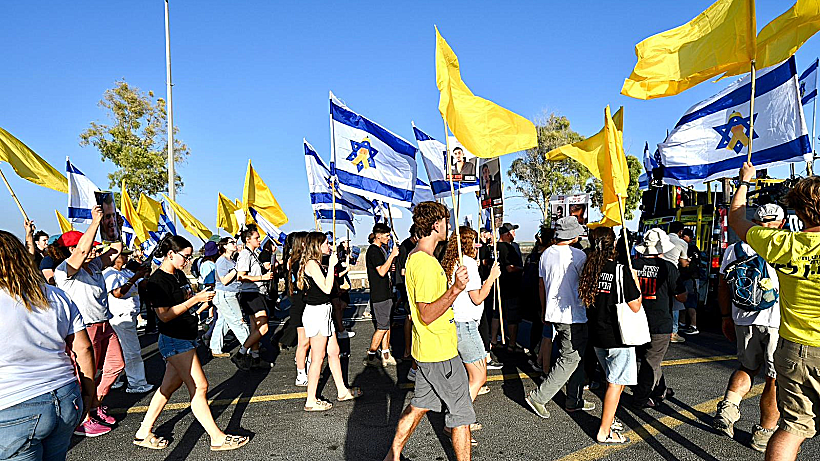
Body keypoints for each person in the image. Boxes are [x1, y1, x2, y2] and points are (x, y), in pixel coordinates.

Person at [728, 163, 820, 461]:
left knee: (793, 427)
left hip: (796, 347)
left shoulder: (782, 243)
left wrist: (744, 182)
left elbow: (736, 219)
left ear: (799, 212)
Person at [132, 235, 247, 451]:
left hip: (184, 337)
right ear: (170, 254)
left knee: (167, 388)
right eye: (185, 257)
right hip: (174, 340)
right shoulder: (158, 281)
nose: (187, 261)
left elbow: (187, 307)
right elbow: (164, 315)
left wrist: (203, 302)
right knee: (200, 386)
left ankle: (143, 432)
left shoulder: (178, 276)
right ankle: (217, 437)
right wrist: (194, 300)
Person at [383, 201, 474, 461]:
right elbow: (426, 313)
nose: (448, 227)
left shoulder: (420, 257)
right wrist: (455, 289)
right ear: (436, 224)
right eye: (445, 221)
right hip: (439, 352)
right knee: (461, 416)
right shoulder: (423, 262)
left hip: (428, 349)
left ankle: (392, 457)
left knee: (419, 406)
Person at [0, 230, 96, 460]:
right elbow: (83, 349)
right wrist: (89, 396)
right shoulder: (57, 295)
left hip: (13, 403)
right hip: (64, 395)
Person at [713, 203, 784, 452]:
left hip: (744, 318)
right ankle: (763, 434)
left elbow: (723, 286)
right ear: (781, 223)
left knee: (746, 367)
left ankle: (729, 410)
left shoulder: (734, 249)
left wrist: (725, 317)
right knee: (774, 377)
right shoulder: (784, 244)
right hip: (777, 320)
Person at [53, 206, 124, 437]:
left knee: (116, 365)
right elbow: (82, 252)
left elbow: (115, 250)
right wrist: (95, 222)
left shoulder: (92, 266)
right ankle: (83, 419)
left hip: (105, 324)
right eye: (87, 247)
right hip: (84, 329)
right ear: (70, 250)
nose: (92, 252)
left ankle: (94, 405)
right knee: (86, 375)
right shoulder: (65, 270)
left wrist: (114, 227)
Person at [579, 227, 642, 445]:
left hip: (597, 333)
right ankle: (604, 431)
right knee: (615, 383)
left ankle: (610, 418)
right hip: (618, 335)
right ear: (613, 244)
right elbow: (635, 305)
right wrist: (635, 282)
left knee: (614, 380)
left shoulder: (589, 268)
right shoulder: (620, 270)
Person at [525, 217, 592, 419]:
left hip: (554, 312)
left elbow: (541, 285)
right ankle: (539, 397)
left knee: (575, 356)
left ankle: (575, 398)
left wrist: (545, 311)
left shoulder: (546, 254)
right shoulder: (579, 256)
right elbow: (586, 285)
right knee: (570, 358)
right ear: (574, 235)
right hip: (573, 314)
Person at [298, 232, 362, 411]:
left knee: (334, 351)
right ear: (317, 246)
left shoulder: (318, 263)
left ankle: (342, 390)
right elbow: (326, 288)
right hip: (317, 312)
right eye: (326, 243)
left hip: (325, 311)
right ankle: (311, 399)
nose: (330, 246)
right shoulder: (311, 264)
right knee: (318, 357)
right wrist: (333, 266)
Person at [441, 227, 501, 403]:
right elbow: (478, 298)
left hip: (456, 322)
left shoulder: (452, 262)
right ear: (467, 243)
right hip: (466, 325)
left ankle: (457, 418)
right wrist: (491, 278)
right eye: (474, 240)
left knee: (466, 375)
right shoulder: (467, 265)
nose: (478, 244)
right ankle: (458, 421)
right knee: (479, 377)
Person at [632, 228, 687, 408]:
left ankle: (659, 389)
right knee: (651, 361)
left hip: (636, 319)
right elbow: (681, 296)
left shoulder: (633, 265)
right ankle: (640, 397)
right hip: (660, 321)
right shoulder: (667, 267)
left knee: (651, 358)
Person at [103, 250, 154, 394]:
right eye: (123, 255)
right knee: (132, 352)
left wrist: (144, 273)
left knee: (118, 351)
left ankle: (114, 380)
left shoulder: (125, 272)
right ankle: (136, 383)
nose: (126, 257)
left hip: (128, 316)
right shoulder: (109, 274)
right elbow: (118, 293)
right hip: (120, 317)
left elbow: (143, 285)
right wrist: (136, 276)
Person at [232, 224, 273, 371]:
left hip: (256, 292)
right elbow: (241, 276)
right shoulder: (245, 254)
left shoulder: (252, 253)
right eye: (256, 237)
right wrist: (262, 276)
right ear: (248, 240)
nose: (259, 239)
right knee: (263, 327)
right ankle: (241, 353)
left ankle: (255, 358)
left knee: (255, 328)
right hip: (251, 294)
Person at [364, 223, 400, 367]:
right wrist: (392, 255)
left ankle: (386, 354)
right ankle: (371, 356)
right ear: (378, 236)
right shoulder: (373, 251)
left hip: (386, 292)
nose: (388, 238)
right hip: (379, 295)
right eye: (386, 235)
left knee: (387, 325)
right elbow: (381, 271)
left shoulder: (380, 250)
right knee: (382, 327)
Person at [209, 237, 250, 359]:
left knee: (223, 322)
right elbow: (224, 280)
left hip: (229, 294)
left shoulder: (231, 260)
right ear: (224, 246)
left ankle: (215, 347)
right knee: (239, 321)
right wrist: (236, 269)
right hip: (226, 295)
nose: (235, 244)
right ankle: (249, 347)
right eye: (232, 242)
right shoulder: (222, 261)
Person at [523, 226, 554, 374]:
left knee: (539, 328)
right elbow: (542, 283)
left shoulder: (533, 255)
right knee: (544, 330)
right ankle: (540, 360)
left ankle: (537, 356)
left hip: (532, 297)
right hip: (542, 298)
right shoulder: (546, 257)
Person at [491, 222, 523, 354]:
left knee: (496, 314)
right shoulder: (508, 249)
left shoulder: (493, 247)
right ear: (506, 234)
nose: (514, 234)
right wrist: (523, 269)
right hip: (509, 287)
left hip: (496, 286)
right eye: (513, 232)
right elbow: (510, 268)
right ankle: (512, 344)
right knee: (512, 317)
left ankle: (493, 340)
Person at [286, 232, 312, 386]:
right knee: (303, 342)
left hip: (303, 304)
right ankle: (301, 374)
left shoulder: (299, 261)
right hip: (300, 305)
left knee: (309, 341)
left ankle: (307, 369)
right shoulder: (298, 263)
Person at [664, 221, 691, 341]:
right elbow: (683, 263)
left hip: (659, 271)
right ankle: (673, 332)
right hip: (673, 273)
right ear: (680, 232)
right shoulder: (682, 243)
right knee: (676, 303)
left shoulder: (662, 239)